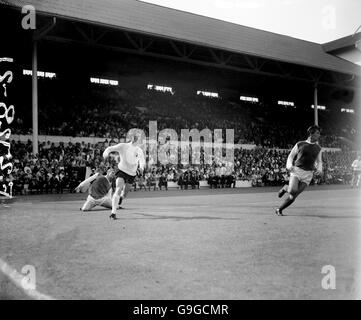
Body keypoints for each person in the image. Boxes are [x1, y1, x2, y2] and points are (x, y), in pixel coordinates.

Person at [276, 125, 323, 216]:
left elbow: (319, 161)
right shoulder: (300, 144)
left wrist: (319, 170)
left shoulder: (319, 148)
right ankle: (286, 188)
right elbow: (291, 156)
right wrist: (289, 165)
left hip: (308, 174)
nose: (319, 135)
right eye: (317, 133)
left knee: (293, 196)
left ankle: (279, 209)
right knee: (292, 190)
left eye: (319, 133)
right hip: (297, 171)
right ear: (311, 134)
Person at [103, 137, 146, 220]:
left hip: (132, 173)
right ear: (132, 139)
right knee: (118, 188)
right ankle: (113, 213)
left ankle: (121, 198)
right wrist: (105, 154)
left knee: (125, 193)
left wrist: (141, 168)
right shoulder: (123, 146)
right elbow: (110, 148)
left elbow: (142, 161)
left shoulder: (139, 150)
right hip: (121, 170)